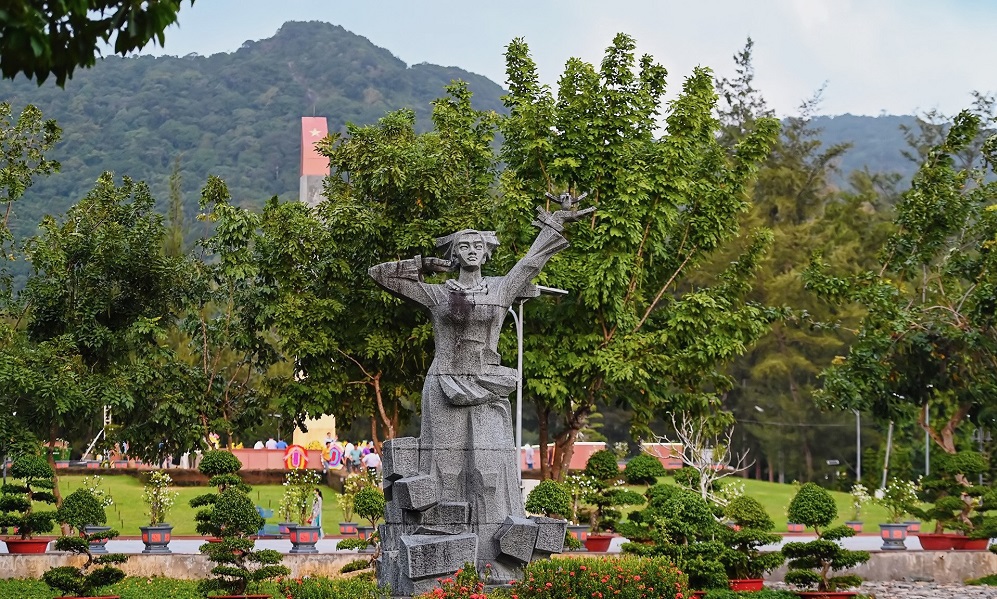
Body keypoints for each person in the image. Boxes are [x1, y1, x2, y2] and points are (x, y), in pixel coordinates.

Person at [368, 197, 592, 583]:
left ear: (487, 253)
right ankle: (443, 567)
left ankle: (497, 563)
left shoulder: (500, 290)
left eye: (477, 246)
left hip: (488, 388)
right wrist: (424, 265)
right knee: (446, 471)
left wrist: (553, 226)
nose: (471, 251)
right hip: (445, 386)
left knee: (489, 473)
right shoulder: (439, 293)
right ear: (453, 253)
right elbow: (380, 274)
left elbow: (530, 264)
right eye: (463, 246)